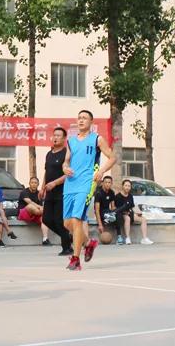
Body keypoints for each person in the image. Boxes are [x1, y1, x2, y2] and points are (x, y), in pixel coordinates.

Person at [62, 110, 116, 271]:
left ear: (91, 122)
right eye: (79, 118)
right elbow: (66, 161)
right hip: (70, 184)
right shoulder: (71, 141)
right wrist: (64, 168)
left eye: (84, 118)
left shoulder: (96, 139)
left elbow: (112, 157)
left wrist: (101, 171)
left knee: (77, 220)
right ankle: (88, 243)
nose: (81, 120)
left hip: (87, 183)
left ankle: (75, 259)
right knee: (67, 223)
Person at [40, 127, 73, 255]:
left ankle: (66, 248)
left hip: (62, 192)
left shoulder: (66, 154)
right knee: (46, 219)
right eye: (54, 135)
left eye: (58, 135)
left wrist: (54, 183)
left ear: (64, 139)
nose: (55, 137)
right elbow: (46, 172)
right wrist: (42, 188)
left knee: (59, 220)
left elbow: (68, 174)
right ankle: (68, 238)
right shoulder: (49, 154)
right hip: (49, 193)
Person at [114, 179, 153, 245]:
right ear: (122, 186)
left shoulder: (130, 196)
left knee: (143, 219)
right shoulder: (118, 196)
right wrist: (125, 213)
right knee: (127, 218)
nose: (127, 187)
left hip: (130, 213)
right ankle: (127, 238)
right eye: (126, 185)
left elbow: (133, 206)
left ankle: (144, 238)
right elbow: (117, 209)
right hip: (122, 214)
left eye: (129, 186)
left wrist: (138, 212)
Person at [18, 177, 50, 246]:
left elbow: (41, 206)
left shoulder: (39, 194)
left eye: (35, 183)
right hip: (24, 213)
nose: (33, 184)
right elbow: (29, 202)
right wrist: (41, 208)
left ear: (38, 184)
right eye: (32, 182)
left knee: (44, 219)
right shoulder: (24, 192)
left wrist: (42, 208)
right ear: (29, 183)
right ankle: (49, 213)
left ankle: (45, 239)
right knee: (30, 206)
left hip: (35, 214)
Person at [93, 176, 117, 242]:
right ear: (103, 183)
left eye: (109, 182)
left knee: (119, 216)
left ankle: (119, 236)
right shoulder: (98, 193)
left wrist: (116, 212)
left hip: (107, 211)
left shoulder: (111, 192)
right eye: (106, 182)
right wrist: (100, 224)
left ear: (111, 183)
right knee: (113, 217)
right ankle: (104, 222)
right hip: (101, 212)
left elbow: (113, 207)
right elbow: (96, 210)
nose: (107, 184)